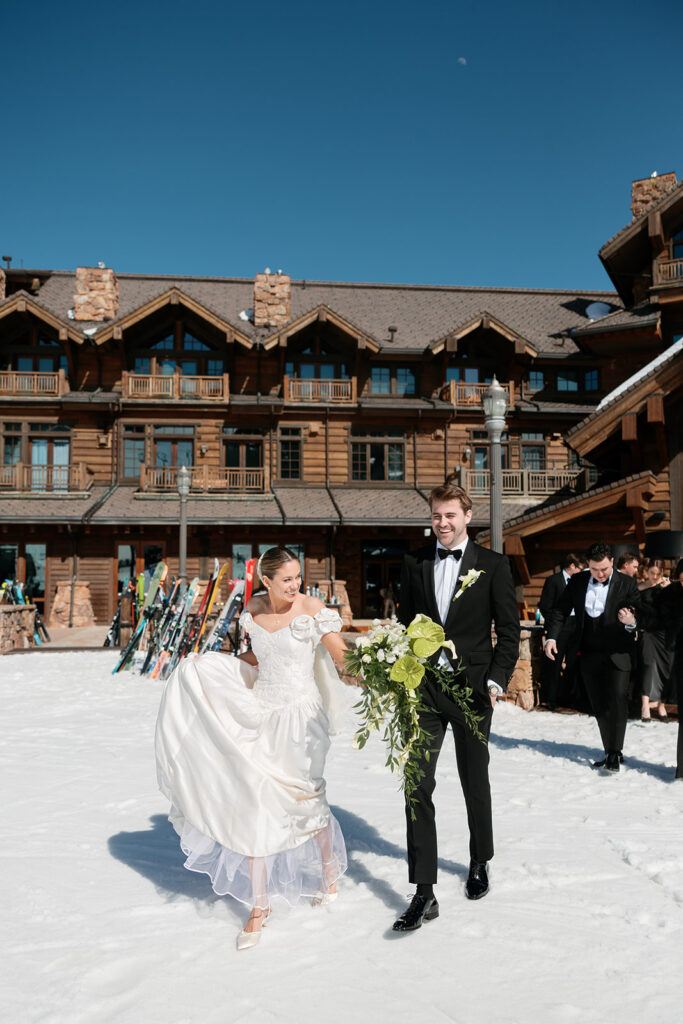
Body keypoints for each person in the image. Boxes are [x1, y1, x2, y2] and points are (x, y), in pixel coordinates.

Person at [155, 546, 358, 951]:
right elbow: (260, 655)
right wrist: (212, 665)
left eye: (297, 577)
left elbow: (343, 658)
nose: (295, 585)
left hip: (302, 720)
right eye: (287, 579)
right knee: (254, 802)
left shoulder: (312, 609)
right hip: (261, 712)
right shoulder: (254, 608)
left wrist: (382, 668)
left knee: (305, 799)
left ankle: (329, 868)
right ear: (266, 581)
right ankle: (260, 905)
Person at [392, 483, 520, 931]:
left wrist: (495, 680)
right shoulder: (414, 563)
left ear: (467, 516)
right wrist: (399, 671)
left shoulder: (493, 565)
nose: (442, 523)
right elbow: (405, 623)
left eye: (450, 515)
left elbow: (509, 630)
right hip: (424, 690)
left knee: (473, 779)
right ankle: (423, 891)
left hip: (472, 691)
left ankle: (479, 859)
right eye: (436, 516)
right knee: (416, 783)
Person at [545, 542, 639, 773]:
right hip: (588, 653)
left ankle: (615, 752)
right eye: (595, 570)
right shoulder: (577, 581)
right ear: (588, 565)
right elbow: (560, 610)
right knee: (599, 704)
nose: (600, 574)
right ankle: (609, 750)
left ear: (612, 562)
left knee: (617, 699)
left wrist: (631, 622)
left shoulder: (627, 583)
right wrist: (551, 638)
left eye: (604, 569)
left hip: (618, 652)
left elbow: (640, 611)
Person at [538, 553, 583, 709]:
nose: (581, 571)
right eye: (579, 568)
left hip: (576, 626)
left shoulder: (579, 582)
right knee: (554, 663)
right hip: (559, 626)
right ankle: (552, 698)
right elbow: (545, 605)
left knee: (573, 662)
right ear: (572, 566)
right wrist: (555, 624)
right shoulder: (553, 580)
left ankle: (568, 697)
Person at [637, 559, 673, 721]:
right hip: (648, 631)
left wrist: (669, 591)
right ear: (646, 571)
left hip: (665, 633)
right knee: (648, 665)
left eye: (658, 574)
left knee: (667, 667)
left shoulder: (668, 587)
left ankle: (661, 704)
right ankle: (645, 705)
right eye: (652, 573)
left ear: (663, 572)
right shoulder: (639, 588)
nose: (655, 577)